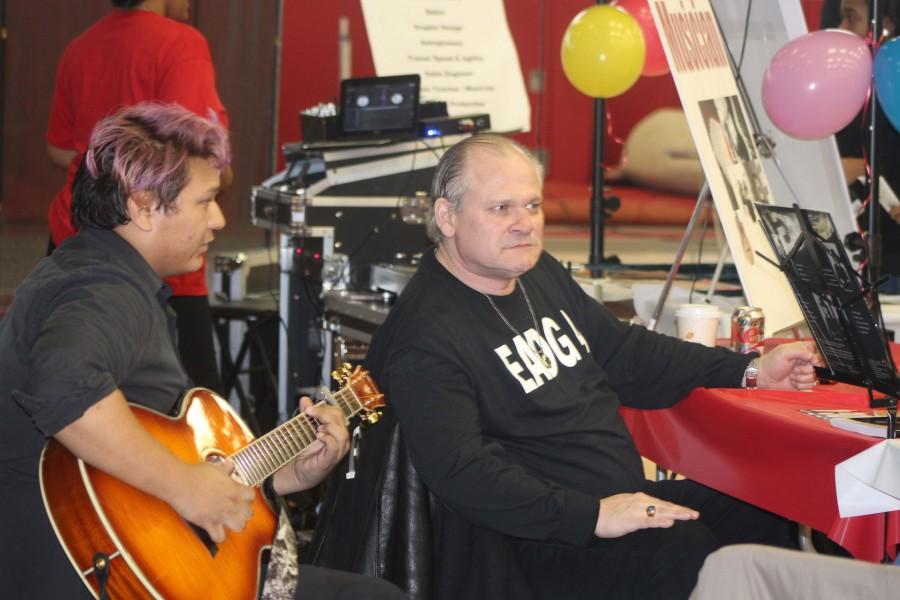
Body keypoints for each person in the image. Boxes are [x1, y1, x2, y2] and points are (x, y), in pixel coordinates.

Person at [364, 134, 819, 599]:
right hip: (534, 539)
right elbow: (461, 471)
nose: (524, 224)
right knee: (683, 550)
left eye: (533, 205)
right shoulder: (425, 335)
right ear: (447, 217)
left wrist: (747, 370)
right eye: (501, 209)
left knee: (764, 506)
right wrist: (594, 516)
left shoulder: (532, 273)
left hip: (615, 502)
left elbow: (624, 353)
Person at [0, 103, 404, 600]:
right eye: (205, 200)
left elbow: (151, 467)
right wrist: (185, 486)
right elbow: (66, 394)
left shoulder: (99, 275)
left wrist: (283, 476)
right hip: (79, 569)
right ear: (144, 205)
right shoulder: (106, 290)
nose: (218, 220)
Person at [46, 0, 232, 391]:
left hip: (74, 237)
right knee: (196, 412)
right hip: (156, 248)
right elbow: (198, 162)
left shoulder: (79, 47)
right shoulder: (181, 44)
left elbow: (59, 149)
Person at [834, 0, 900, 287]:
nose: (840, 30)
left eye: (851, 18)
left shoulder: (890, 88)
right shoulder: (852, 93)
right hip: (858, 255)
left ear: (885, 26)